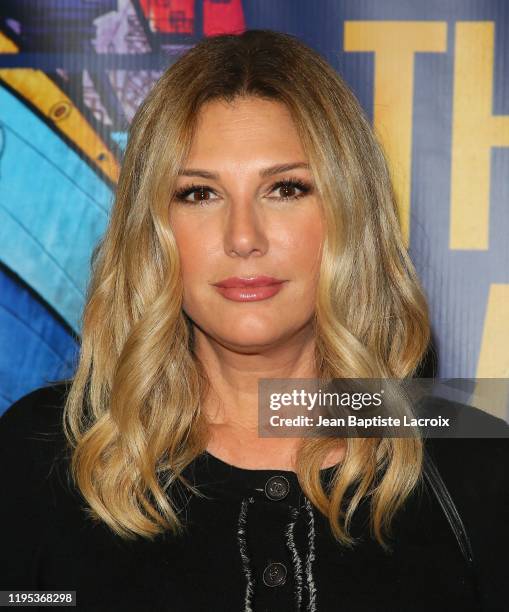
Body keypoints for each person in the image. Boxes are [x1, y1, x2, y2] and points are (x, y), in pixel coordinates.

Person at [1, 29, 508, 612]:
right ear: (153, 232)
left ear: (349, 215)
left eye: (285, 188)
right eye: (198, 194)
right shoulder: (46, 454)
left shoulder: (476, 466)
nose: (243, 238)